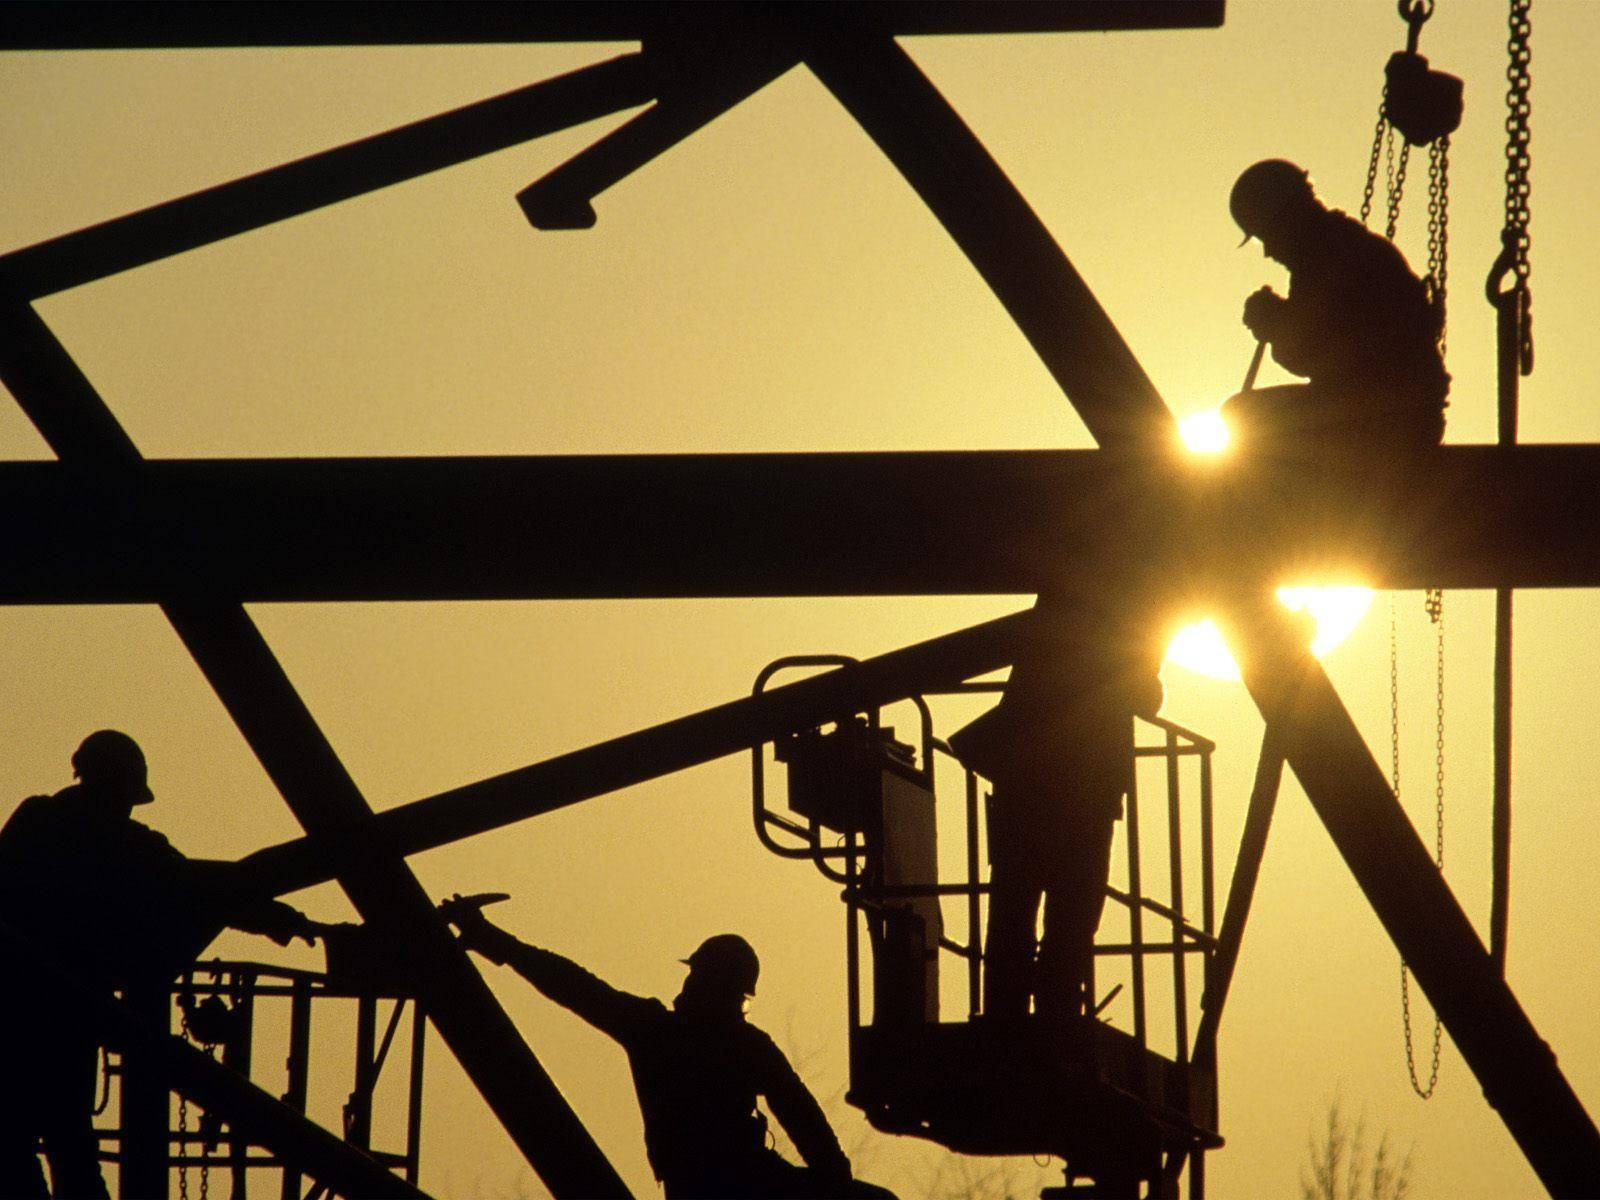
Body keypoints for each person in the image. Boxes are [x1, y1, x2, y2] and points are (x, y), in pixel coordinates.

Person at [0, 730, 319, 1199]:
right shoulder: (124, 845)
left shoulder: (36, 822)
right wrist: (273, 914)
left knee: (18, 1141)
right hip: (65, 1017)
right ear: (119, 789)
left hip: (19, 1011)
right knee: (67, 1144)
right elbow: (195, 885)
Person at [443, 904, 895, 1200]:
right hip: (751, 1184)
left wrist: (491, 939)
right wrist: (836, 1183)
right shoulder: (740, 1045)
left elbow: (572, 985)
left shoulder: (653, 1031)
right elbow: (805, 1122)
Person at [949, 595, 1164, 1022]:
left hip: (1026, 782)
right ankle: (1057, 1012)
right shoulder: (1131, 612)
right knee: (1071, 913)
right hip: (1084, 793)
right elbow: (1145, 697)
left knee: (1015, 905)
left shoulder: (1057, 605)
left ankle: (1007, 1013)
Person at [1221, 158, 1450, 454]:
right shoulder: (1338, 249)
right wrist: (1280, 321)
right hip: (1396, 414)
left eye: (1268, 236)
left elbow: (1313, 355)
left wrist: (1276, 324)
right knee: (1243, 415)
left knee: (1243, 417)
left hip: (1380, 419)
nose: (1268, 251)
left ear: (1288, 218)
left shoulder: (1330, 258)